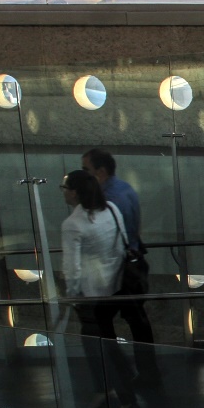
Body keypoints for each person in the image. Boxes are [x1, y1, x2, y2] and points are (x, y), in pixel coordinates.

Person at [60, 169, 138, 408]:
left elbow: (72, 267)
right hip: (114, 287)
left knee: (100, 345)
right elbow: (123, 242)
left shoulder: (73, 225)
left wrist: (71, 295)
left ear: (74, 192)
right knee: (102, 342)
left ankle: (125, 396)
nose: (63, 192)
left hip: (90, 295)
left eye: (65, 188)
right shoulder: (112, 209)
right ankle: (106, 389)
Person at [82, 149, 160, 388]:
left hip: (118, 271)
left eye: (86, 171)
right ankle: (146, 372)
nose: (83, 176)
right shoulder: (125, 190)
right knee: (137, 322)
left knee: (99, 323)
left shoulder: (108, 201)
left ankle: (120, 373)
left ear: (101, 172)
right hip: (133, 266)